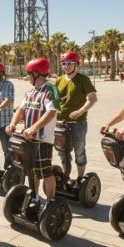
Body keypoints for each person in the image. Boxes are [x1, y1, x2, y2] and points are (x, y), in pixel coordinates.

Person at [6, 58, 60, 202]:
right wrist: (12, 123)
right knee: (31, 170)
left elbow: (51, 112)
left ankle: (51, 202)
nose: (27, 76)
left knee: (45, 171)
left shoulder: (50, 89)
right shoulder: (31, 91)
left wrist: (33, 128)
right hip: (27, 138)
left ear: (37, 73)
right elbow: (21, 110)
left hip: (43, 139)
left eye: (29, 73)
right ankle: (35, 197)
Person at [54, 51, 98, 179]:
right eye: (63, 63)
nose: (66, 66)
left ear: (76, 64)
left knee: (79, 151)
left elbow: (92, 98)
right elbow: (54, 100)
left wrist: (81, 111)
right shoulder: (58, 80)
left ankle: (80, 179)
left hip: (78, 123)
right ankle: (65, 176)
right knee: (62, 152)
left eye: (69, 63)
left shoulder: (83, 79)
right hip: (60, 123)